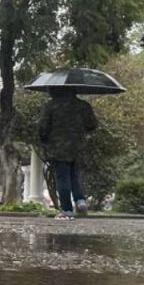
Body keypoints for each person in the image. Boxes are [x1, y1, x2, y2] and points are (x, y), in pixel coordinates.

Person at [38, 88, 98, 219]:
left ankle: (66, 209)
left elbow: (43, 126)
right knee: (74, 175)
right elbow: (93, 124)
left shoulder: (51, 105)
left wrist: (44, 139)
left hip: (58, 146)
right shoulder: (83, 105)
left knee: (62, 177)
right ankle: (80, 200)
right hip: (78, 145)